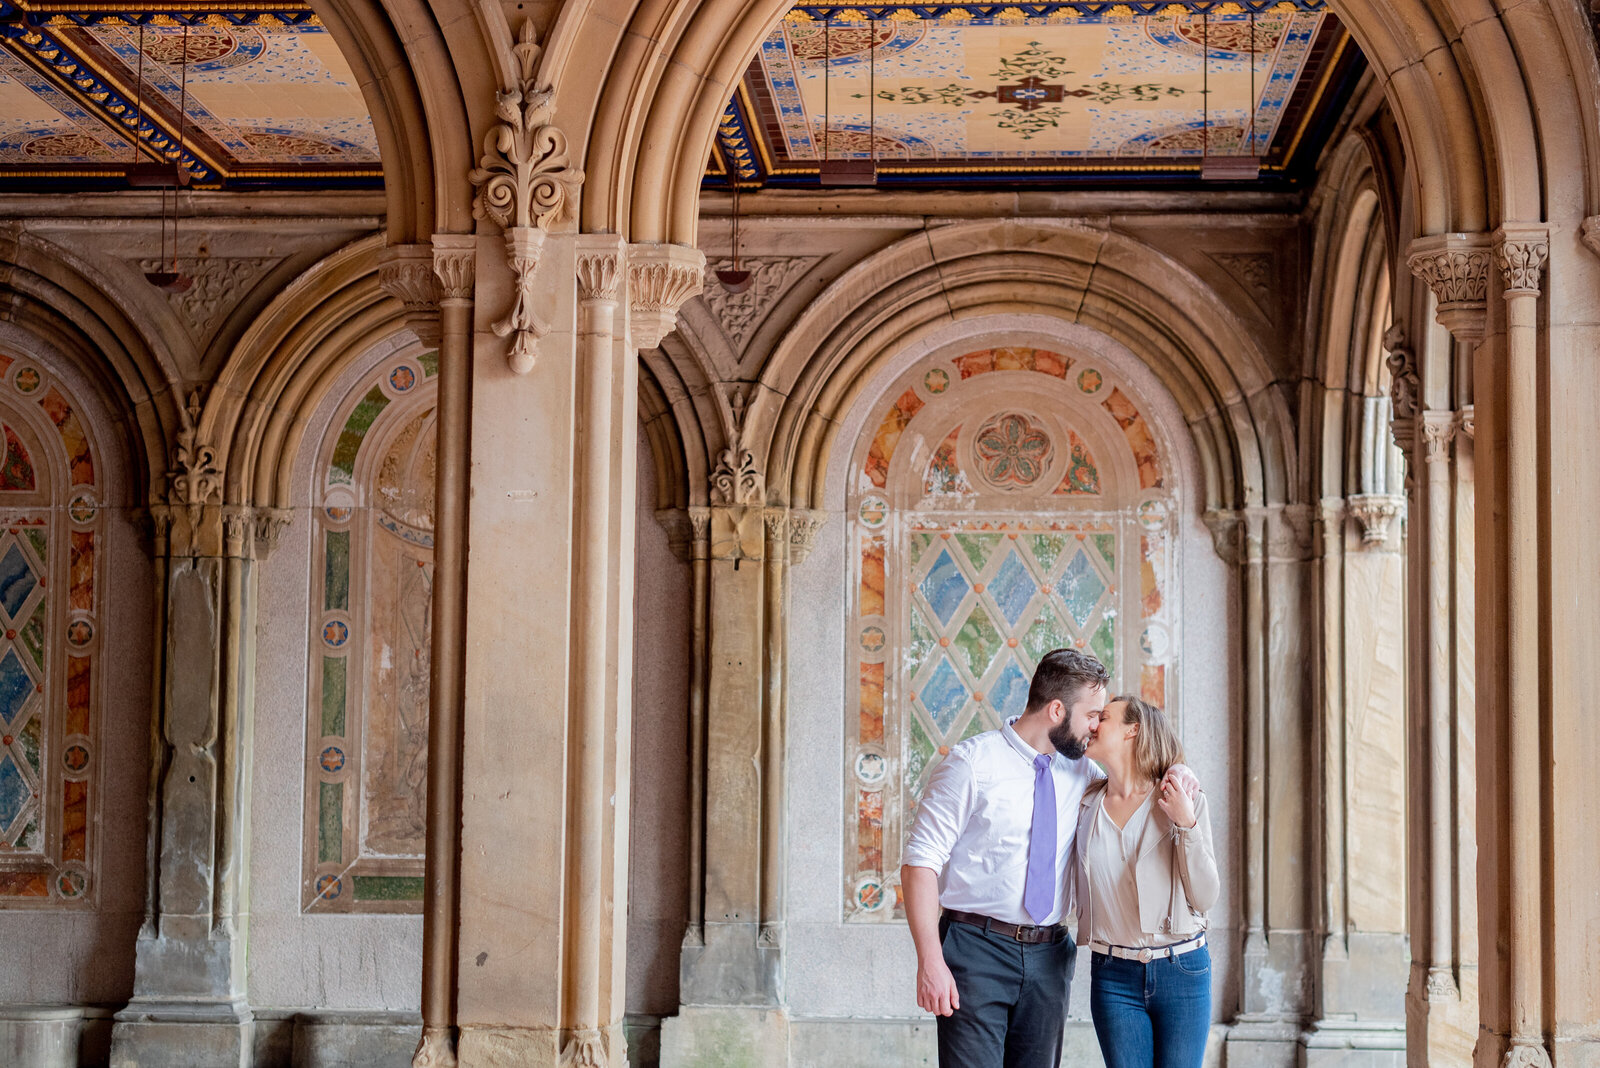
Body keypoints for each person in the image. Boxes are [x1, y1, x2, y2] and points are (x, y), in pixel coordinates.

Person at [900, 650, 1197, 1068]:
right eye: (1092, 714)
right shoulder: (971, 764)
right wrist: (930, 961)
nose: (1096, 726)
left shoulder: (1084, 772)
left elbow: (1141, 773)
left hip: (1049, 955)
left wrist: (1183, 774)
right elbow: (919, 864)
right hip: (974, 950)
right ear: (1057, 709)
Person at [1072, 695, 1219, 1068]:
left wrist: (1187, 824)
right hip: (1113, 975)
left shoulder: (1181, 798)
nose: (1093, 725)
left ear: (1132, 730)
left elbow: (1205, 897)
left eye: (1103, 718)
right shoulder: (1084, 803)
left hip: (1182, 970)